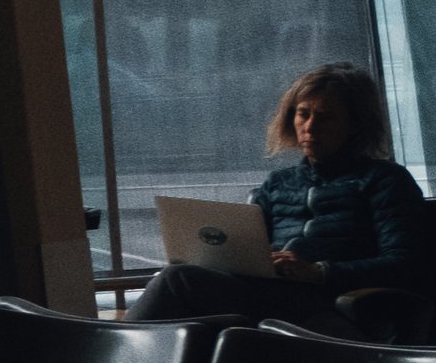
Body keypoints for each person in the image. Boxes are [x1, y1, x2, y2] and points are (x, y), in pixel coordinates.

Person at [131, 62, 433, 329]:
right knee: (181, 279)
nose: (309, 127)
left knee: (177, 281)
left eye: (326, 118)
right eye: (303, 114)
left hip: (325, 298)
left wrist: (318, 272)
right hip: (268, 291)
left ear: (355, 125)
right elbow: (245, 249)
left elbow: (403, 264)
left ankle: (106, 357)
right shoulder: (278, 183)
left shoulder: (385, 181)